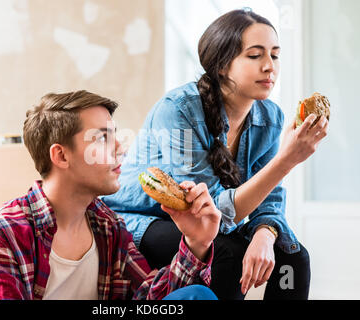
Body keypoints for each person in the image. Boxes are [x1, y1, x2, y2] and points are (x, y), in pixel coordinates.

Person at [102, 9, 328, 300]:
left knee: (293, 257)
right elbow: (210, 213)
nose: (269, 66)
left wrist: (266, 233)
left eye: (274, 54)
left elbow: (268, 199)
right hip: (142, 221)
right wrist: (287, 160)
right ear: (222, 65)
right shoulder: (179, 109)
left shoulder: (270, 116)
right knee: (227, 254)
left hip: (203, 222)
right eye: (255, 55)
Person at [0, 90, 220, 300]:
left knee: (196, 295)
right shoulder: (5, 230)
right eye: (102, 138)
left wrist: (196, 242)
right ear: (61, 156)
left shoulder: (108, 226)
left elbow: (148, 296)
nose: (120, 148)